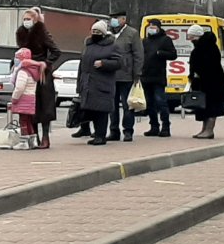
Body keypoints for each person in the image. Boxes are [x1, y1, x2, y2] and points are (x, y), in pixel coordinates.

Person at [16, 7, 62, 149]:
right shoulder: (21, 32)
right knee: (29, 105)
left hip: (41, 73)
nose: (26, 21)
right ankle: (33, 136)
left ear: (35, 20)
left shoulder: (41, 32)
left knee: (44, 105)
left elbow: (56, 51)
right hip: (27, 71)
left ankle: (45, 137)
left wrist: (45, 63)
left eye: (29, 19)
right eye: (24, 19)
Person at [76, 20, 122, 145]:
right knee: (90, 110)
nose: (95, 33)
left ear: (103, 33)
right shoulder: (88, 46)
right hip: (88, 83)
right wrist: (79, 83)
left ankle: (100, 136)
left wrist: (104, 63)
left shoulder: (112, 46)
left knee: (101, 111)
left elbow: (119, 63)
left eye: (97, 31)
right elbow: (82, 65)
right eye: (93, 31)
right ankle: (91, 132)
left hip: (102, 84)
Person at [107, 10, 144, 142]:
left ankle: (128, 131)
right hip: (111, 75)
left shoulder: (132, 34)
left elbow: (138, 55)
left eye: (116, 18)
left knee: (128, 105)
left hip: (127, 75)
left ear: (123, 19)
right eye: (112, 19)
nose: (113, 21)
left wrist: (137, 73)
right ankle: (113, 131)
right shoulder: (109, 34)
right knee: (112, 105)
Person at [140, 18, 177, 137]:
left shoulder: (165, 40)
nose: (151, 28)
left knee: (161, 102)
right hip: (145, 76)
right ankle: (154, 126)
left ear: (158, 28)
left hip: (158, 76)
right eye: (149, 26)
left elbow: (173, 54)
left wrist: (161, 53)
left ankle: (166, 126)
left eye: (153, 26)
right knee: (149, 103)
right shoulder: (145, 41)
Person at [189, 30, 224, 139]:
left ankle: (209, 130)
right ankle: (204, 129)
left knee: (211, 107)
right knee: (205, 107)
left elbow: (207, 66)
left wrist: (196, 73)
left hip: (211, 83)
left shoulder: (207, 48)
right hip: (207, 82)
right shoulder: (206, 47)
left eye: (191, 36)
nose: (190, 39)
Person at [9, 47, 42, 144]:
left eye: (17, 57)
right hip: (31, 98)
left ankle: (24, 142)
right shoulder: (33, 70)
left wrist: (14, 98)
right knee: (29, 121)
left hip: (23, 99)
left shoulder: (23, 71)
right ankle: (33, 141)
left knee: (23, 121)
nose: (15, 60)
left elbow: (20, 87)